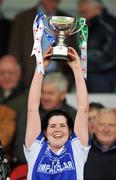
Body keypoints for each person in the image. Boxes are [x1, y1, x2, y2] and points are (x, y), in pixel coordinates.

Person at [24, 47, 90, 179]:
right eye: (52, 126)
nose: (57, 130)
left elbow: (83, 110)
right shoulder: (35, 148)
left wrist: (77, 69)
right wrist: (40, 68)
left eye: (62, 126)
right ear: (44, 132)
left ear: (71, 131)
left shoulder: (77, 148)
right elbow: (32, 108)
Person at [12, 72, 76, 165]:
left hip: (63, 168)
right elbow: (20, 144)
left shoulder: (73, 115)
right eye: (42, 92)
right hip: (30, 166)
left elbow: (76, 147)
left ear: (62, 95)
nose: (45, 97)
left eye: (50, 93)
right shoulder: (29, 113)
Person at [8, 0, 69, 88]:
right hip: (29, 73)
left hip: (57, 72)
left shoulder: (66, 19)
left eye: (57, 1)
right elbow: (14, 49)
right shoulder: (23, 18)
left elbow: (71, 47)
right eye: (52, 1)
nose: (55, 4)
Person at [78, 0, 116, 92]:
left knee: (99, 104)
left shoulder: (109, 25)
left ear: (98, 9)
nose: (82, 16)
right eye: (81, 13)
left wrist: (82, 61)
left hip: (103, 76)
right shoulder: (91, 25)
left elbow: (110, 55)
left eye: (85, 12)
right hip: (90, 73)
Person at [84, 108, 116, 180]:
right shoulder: (83, 150)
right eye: (101, 124)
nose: (106, 129)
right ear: (94, 128)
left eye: (111, 125)